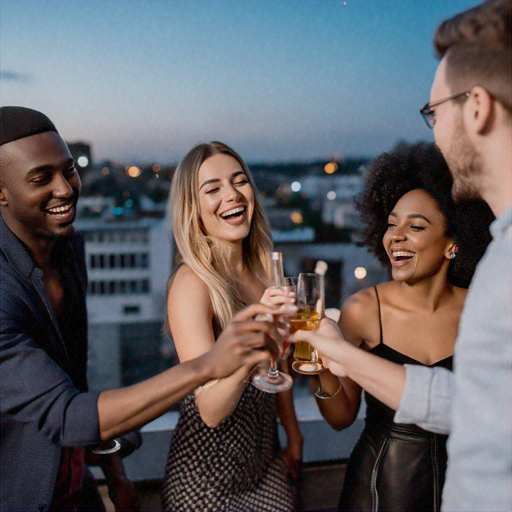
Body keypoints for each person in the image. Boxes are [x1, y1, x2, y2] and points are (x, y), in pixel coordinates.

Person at [0, 107, 284, 512]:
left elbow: (73, 378)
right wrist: (211, 364)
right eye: (41, 178)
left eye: (69, 170)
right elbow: (65, 415)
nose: (65, 189)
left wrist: (115, 474)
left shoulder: (68, 248)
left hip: (78, 489)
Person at [289, 1, 511, 510]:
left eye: (434, 112)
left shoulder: (494, 282)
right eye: (391, 225)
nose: (432, 129)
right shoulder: (500, 261)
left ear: (476, 107)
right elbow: (474, 406)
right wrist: (335, 355)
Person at [310, 141, 493, 511]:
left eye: (416, 226)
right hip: (377, 493)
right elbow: (341, 417)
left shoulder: (482, 311)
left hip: (465, 495)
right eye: (392, 224)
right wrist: (320, 361)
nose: (396, 236)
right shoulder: (363, 310)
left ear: (453, 243)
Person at [161, 141, 302, 512]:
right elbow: (209, 409)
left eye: (240, 181)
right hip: (208, 481)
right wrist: (255, 340)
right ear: (193, 207)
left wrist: (294, 433)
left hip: (265, 463)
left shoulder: (265, 273)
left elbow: (280, 365)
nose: (232, 195)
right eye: (213, 189)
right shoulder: (192, 284)